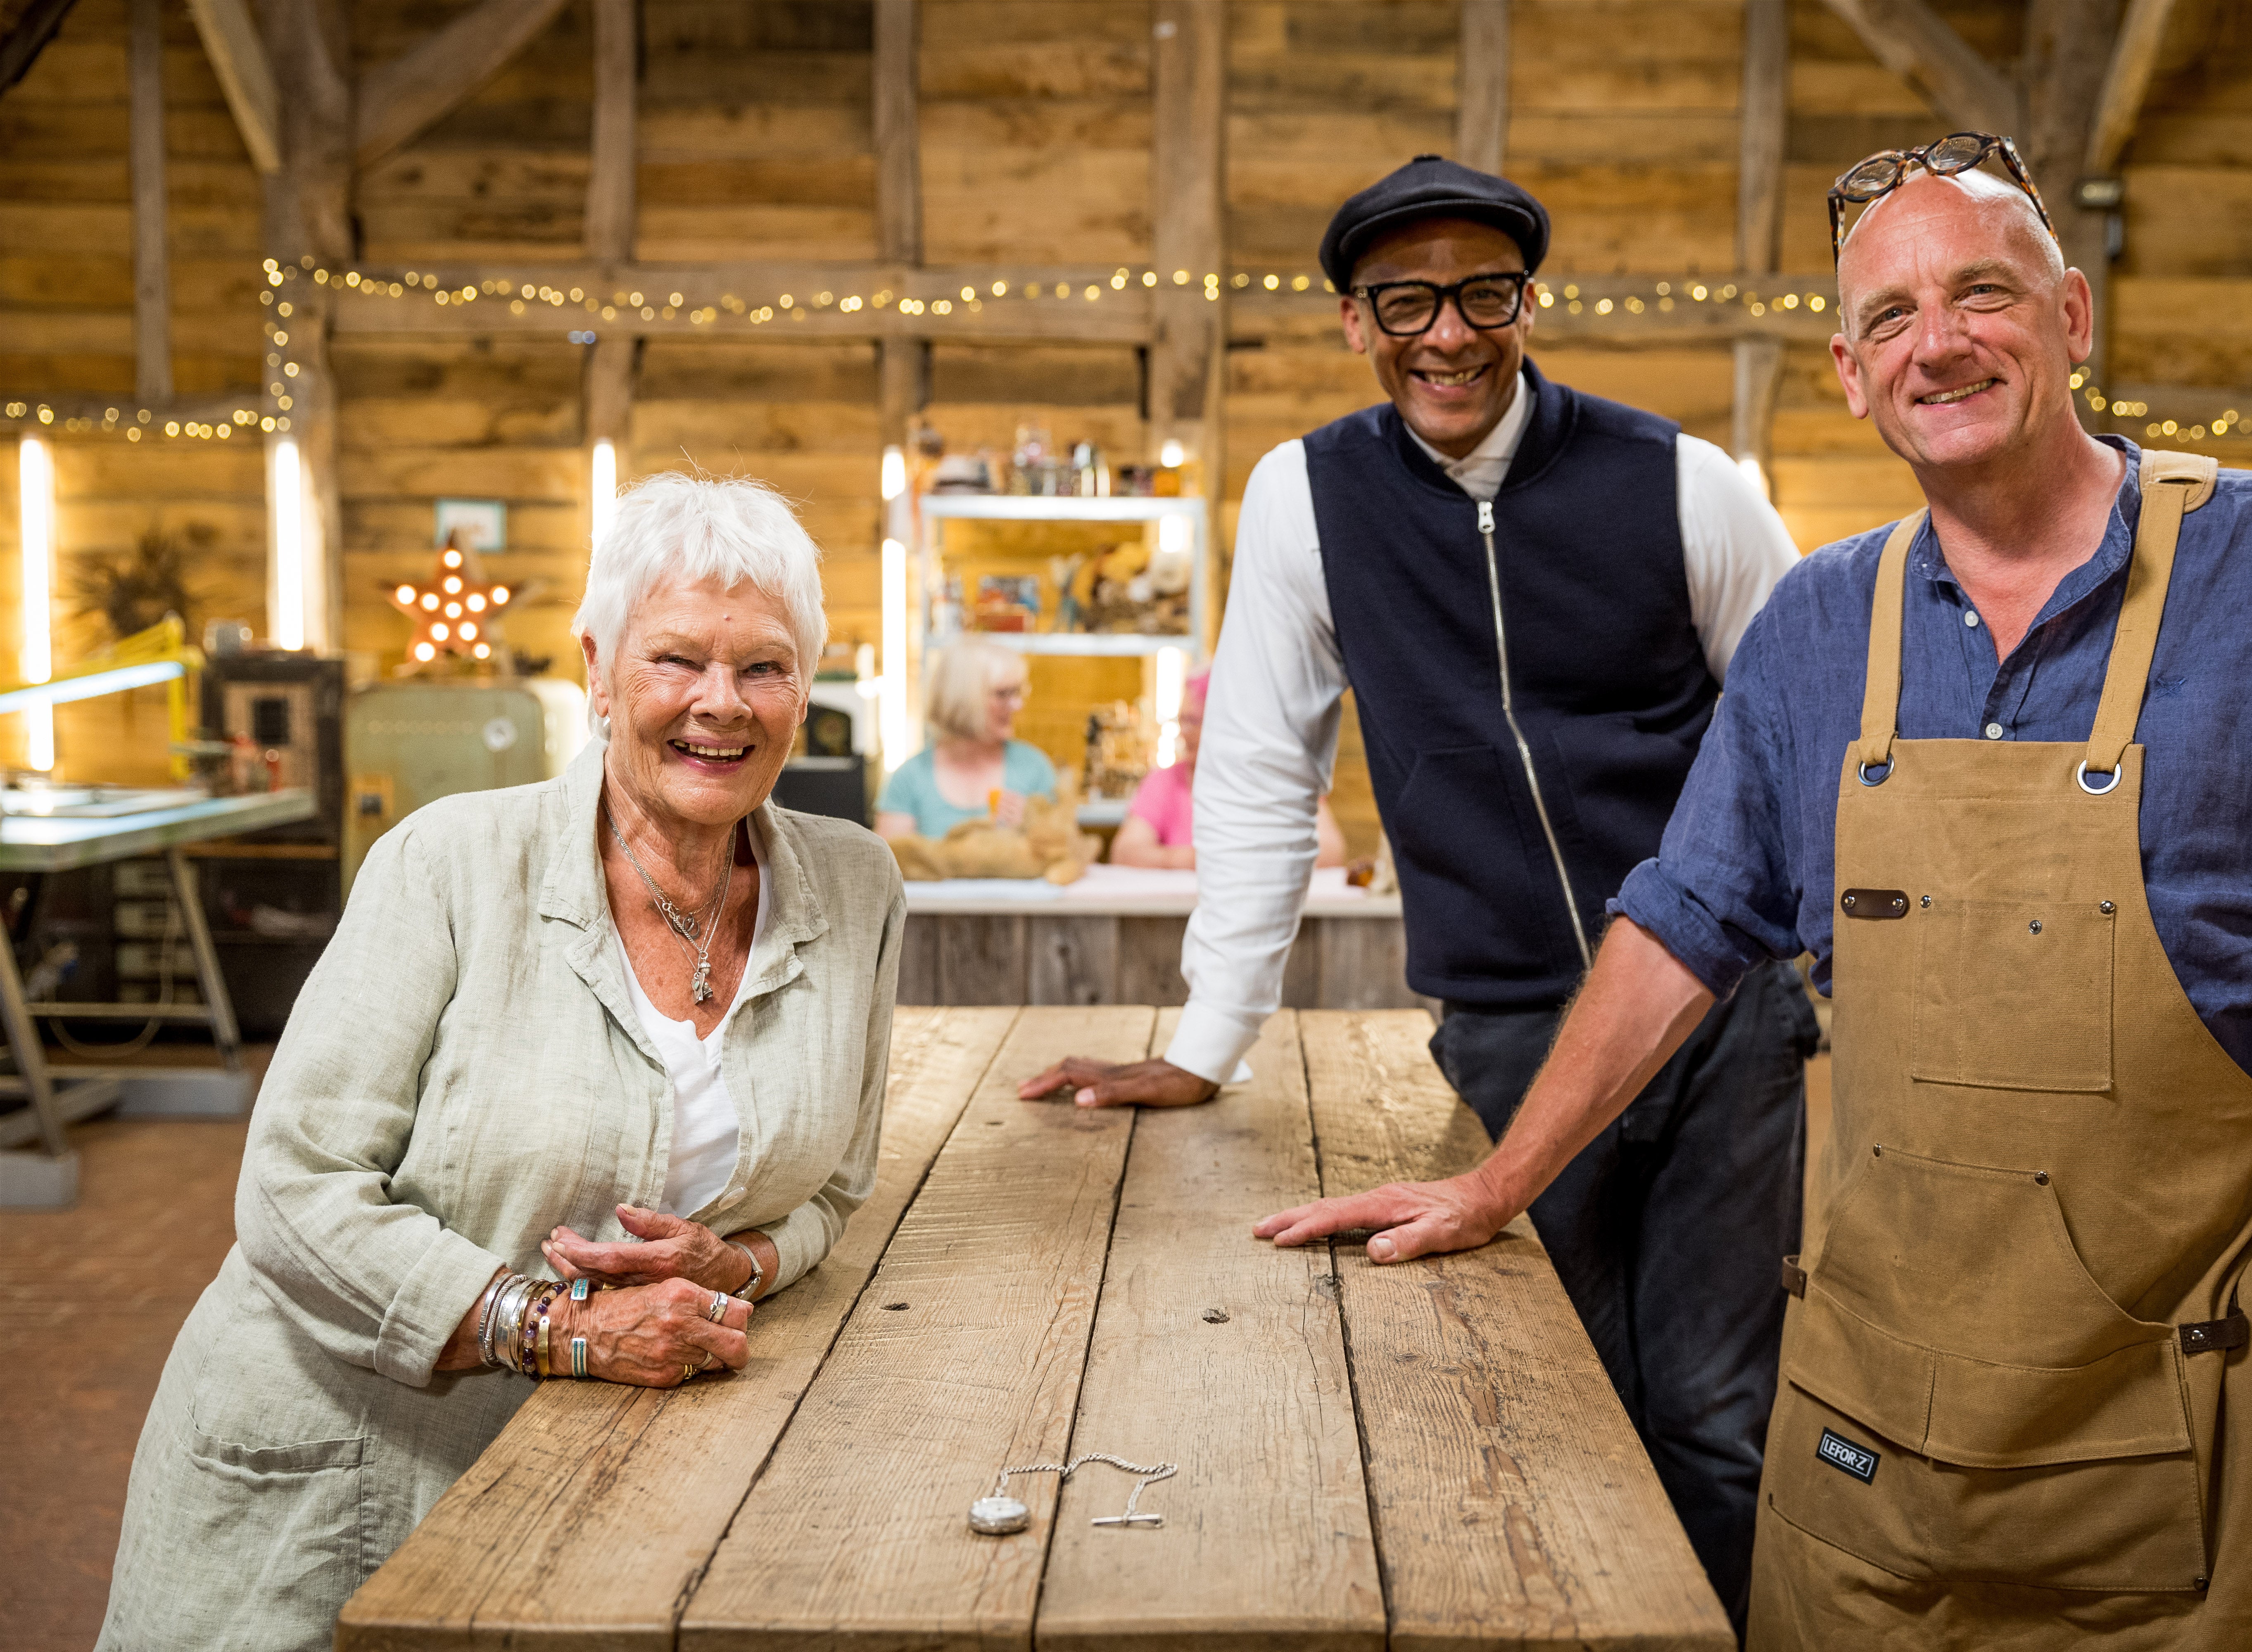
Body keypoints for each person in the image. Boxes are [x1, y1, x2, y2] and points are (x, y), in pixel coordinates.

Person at [1255, 135, 2252, 1650]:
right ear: (1847, 371)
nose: (1939, 342)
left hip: (2180, 1405)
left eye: (1981, 292)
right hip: (1871, 1424)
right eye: (1890, 317)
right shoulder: (1818, 626)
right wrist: (1495, 1179)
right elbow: (1681, 922)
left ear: (2072, 316)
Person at [1019, 155, 1813, 1627]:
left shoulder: (1685, 483)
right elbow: (1261, 770)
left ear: (1527, 303)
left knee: (1713, 1407)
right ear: (1352, 319)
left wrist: (1832, 989)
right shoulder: (1305, 498)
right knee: (1557, 1390)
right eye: (1404, 301)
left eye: (1479, 294)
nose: (1444, 334)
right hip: (1509, 1023)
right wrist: (1206, 1041)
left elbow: (1807, 739)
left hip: (1725, 1020)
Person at [99, 473, 906, 1652]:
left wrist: (741, 1262)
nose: (721, 706)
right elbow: (294, 1188)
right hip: (349, 1461)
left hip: (603, 1484)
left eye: (766, 667)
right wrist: (557, 1327)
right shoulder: (446, 866)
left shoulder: (857, 889)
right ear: (597, 663)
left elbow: (838, 1187)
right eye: (677, 659)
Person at [1109, 669, 1347, 869]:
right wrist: (1205, 860)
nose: (1183, 732)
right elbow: (1125, 852)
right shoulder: (1165, 781)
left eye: (1193, 722)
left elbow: (1331, 850)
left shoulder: (1280, 776)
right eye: (1182, 721)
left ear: (1223, 722)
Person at [873, 635, 1057, 840]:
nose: (1017, 705)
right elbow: (892, 865)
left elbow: (1063, 856)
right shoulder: (910, 779)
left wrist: (1035, 829)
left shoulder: (1034, 768)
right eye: (1003, 694)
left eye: (1018, 692)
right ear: (962, 700)